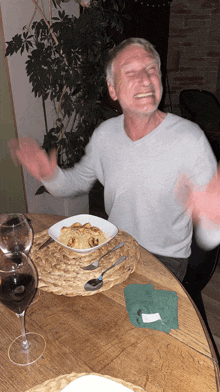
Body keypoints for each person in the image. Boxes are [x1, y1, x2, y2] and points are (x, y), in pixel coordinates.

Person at [9, 37, 220, 282]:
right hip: (113, 245)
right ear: (113, 89)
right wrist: (49, 175)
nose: (145, 79)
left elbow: (210, 235)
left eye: (151, 69)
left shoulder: (190, 138)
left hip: (165, 260)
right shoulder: (104, 135)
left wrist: (212, 214)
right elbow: (76, 181)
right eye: (131, 72)